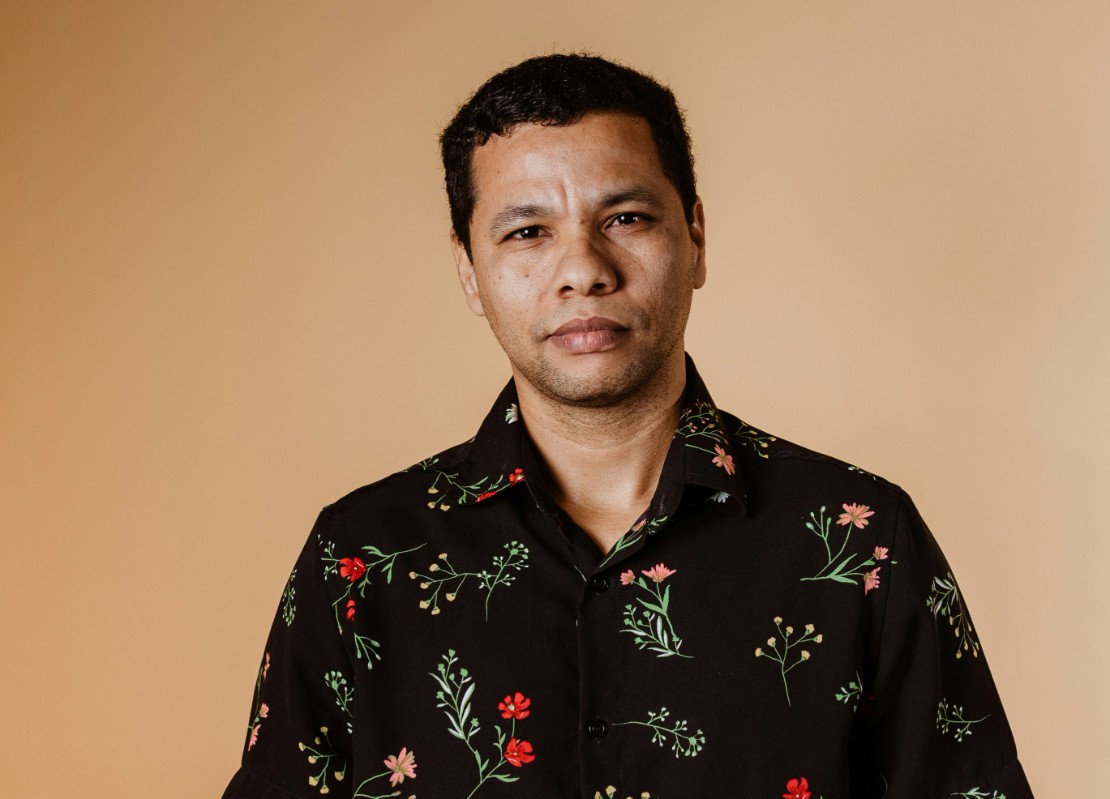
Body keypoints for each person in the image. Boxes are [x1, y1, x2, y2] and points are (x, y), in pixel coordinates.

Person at [222, 54, 1033, 799]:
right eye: (527, 232)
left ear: (696, 237)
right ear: (469, 269)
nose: (583, 269)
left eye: (626, 218)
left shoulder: (862, 541)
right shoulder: (359, 560)